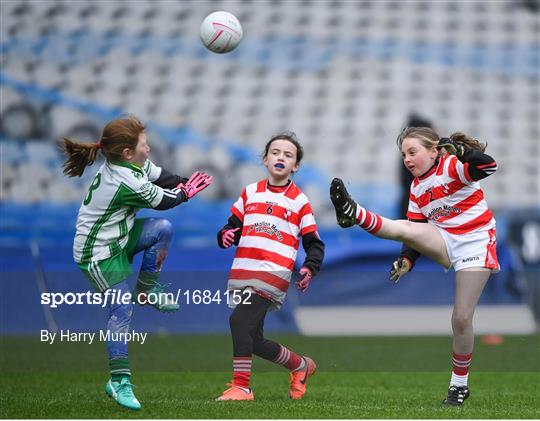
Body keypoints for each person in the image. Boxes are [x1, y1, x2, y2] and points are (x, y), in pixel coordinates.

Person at [330, 127, 498, 406]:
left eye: (412, 152)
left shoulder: (452, 166)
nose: (407, 159)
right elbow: (416, 230)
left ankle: (459, 385)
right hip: (444, 239)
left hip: (476, 241)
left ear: (434, 151)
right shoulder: (417, 188)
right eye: (403, 154)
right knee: (406, 227)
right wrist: (407, 259)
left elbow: (489, 166)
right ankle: (353, 213)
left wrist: (463, 152)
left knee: (461, 319)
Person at [61, 115, 212, 410]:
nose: (149, 148)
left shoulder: (133, 163)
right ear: (128, 152)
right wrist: (186, 192)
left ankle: (147, 289)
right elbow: (164, 200)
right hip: (97, 254)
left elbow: (161, 177)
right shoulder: (125, 180)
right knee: (121, 308)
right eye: (145, 144)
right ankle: (119, 382)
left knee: (162, 229)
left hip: (118, 238)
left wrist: (185, 183)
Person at [216, 132, 325, 401]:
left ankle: (242, 387)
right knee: (252, 339)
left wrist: (310, 267)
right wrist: (225, 235)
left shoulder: (299, 201)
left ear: (296, 166)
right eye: (275, 152)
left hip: (273, 272)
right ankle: (300, 365)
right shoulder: (250, 192)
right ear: (265, 159)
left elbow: (314, 242)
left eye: (288, 155)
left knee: (238, 321)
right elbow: (232, 228)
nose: (281, 157)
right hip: (245, 270)